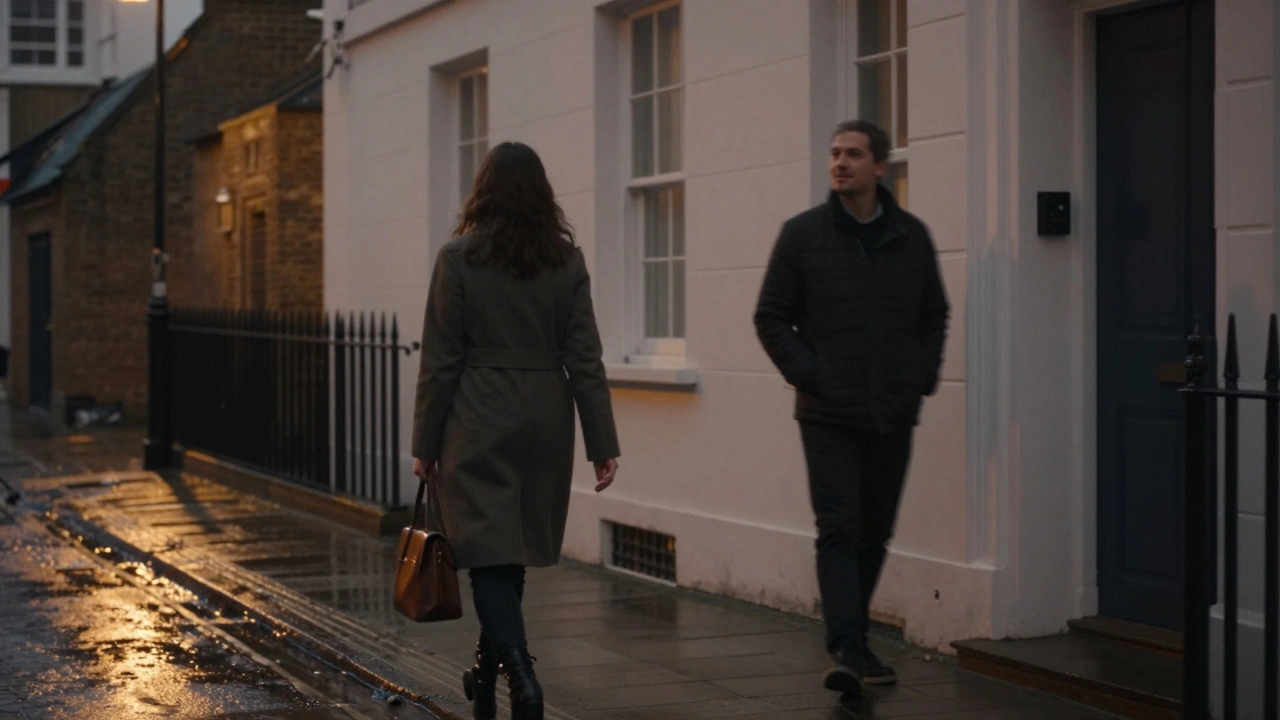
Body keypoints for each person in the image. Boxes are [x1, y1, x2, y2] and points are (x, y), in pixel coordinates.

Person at [411, 141, 620, 720]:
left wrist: (425, 445)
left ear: (484, 192)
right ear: (541, 194)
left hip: (479, 416)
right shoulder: (566, 262)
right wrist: (602, 444)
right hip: (547, 418)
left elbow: (440, 362)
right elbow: (586, 358)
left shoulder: (458, 259)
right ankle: (486, 676)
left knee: (489, 557)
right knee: (509, 553)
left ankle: (522, 676)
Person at [753, 120, 949, 697]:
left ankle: (855, 642)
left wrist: (919, 378)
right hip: (828, 414)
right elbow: (770, 316)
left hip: (893, 411)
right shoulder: (801, 235)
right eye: (835, 153)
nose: (840, 162)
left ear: (880, 166)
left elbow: (934, 313)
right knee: (838, 527)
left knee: (874, 530)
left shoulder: (911, 236)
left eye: (854, 154)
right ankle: (843, 646)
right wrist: (813, 375)